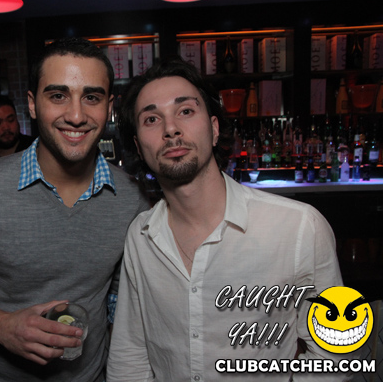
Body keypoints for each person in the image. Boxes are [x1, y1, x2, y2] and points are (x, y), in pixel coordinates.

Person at [107, 58, 351, 381]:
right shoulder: (141, 236)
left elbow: (334, 356)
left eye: (185, 111)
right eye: (151, 119)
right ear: (139, 147)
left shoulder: (299, 227)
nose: (170, 129)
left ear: (214, 129)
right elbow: (130, 357)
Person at [0, 37, 149, 382]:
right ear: (32, 104)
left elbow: (119, 297)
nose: (76, 116)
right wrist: (0, 325)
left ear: (109, 106)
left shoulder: (132, 198)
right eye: (58, 96)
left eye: (92, 98)